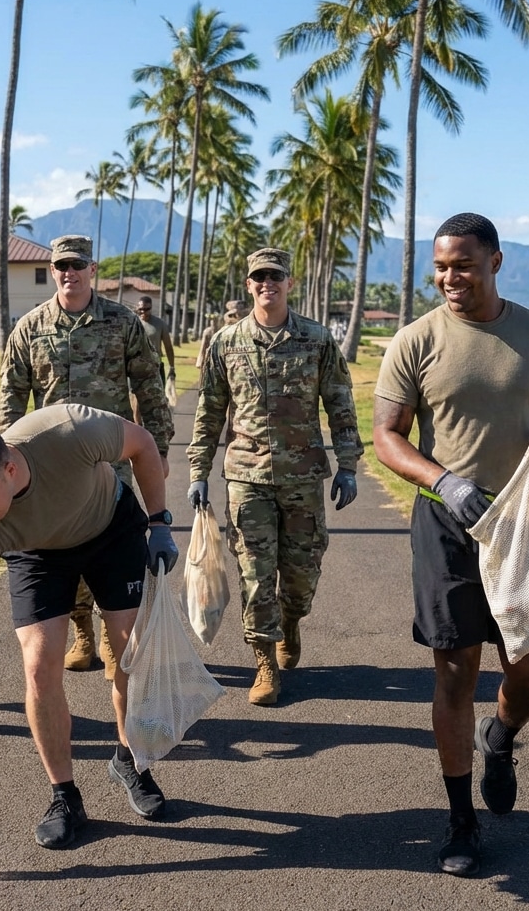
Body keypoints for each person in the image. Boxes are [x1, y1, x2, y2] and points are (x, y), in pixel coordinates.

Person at [372, 212, 529, 878]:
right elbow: (388, 436)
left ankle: (503, 737)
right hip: (446, 524)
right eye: (440, 266)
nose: (448, 278)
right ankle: (460, 822)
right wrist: (444, 482)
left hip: (523, 523)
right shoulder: (416, 340)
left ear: (496, 262)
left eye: (462, 264)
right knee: (455, 668)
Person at [0, 405, 179, 849]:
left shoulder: (69, 431)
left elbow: (142, 444)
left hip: (107, 526)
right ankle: (65, 796)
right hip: (36, 552)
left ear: (9, 468)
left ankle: (130, 760)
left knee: (130, 652)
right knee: (39, 667)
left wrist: (160, 523)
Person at [186, 248, 363, 706]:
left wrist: (348, 464)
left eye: (275, 276)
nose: (268, 284)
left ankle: (291, 620)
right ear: (248, 285)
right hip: (247, 477)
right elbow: (208, 413)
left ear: (289, 282)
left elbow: (340, 405)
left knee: (301, 576)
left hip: (303, 476)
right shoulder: (226, 342)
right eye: (259, 277)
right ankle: (264, 663)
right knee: (255, 574)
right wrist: (198, 471)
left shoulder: (318, 340)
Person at [0, 235, 173, 679]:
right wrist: (3, 466)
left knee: (113, 551)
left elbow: (149, 388)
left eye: (77, 265)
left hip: (110, 463)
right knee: (61, 549)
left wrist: (160, 449)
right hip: (49, 469)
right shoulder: (30, 328)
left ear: (92, 269)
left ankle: (118, 645)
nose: (69, 273)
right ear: (52, 271)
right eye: (61, 266)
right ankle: (83, 633)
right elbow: (11, 400)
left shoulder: (122, 322)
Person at [195, 299, 248, 371]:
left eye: (239, 314)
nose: (235, 317)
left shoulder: (248, 329)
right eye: (232, 315)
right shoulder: (217, 330)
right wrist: (201, 362)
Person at [134, 295, 175, 384]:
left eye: (146, 309)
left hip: (155, 367)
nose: (143, 312)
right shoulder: (133, 323)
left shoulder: (160, 324)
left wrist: (172, 368)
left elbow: (168, 347)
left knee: (158, 397)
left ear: (151, 308)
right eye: (140, 309)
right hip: (136, 369)